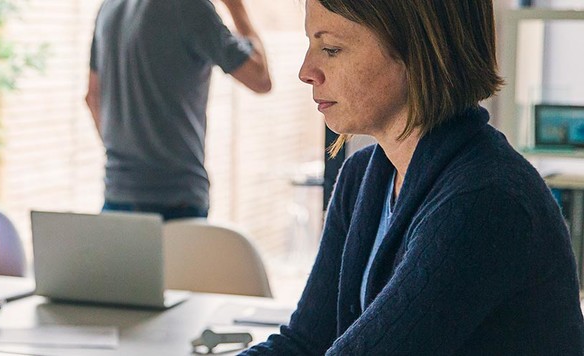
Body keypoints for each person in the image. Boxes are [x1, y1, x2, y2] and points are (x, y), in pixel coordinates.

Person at [242, 1, 584, 354]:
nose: (306, 71)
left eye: (331, 49)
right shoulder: (361, 177)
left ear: (416, 51)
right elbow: (305, 343)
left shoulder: (485, 201)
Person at [86, 0, 272, 220]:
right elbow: (260, 78)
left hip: (116, 195)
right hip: (175, 202)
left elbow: (93, 98)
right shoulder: (190, 6)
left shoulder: (109, 7)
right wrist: (236, 7)